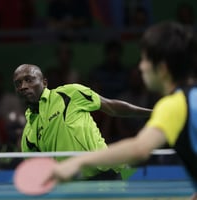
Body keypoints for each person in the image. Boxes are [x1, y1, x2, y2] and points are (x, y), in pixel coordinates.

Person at [47, 21, 197, 199]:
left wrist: (78, 162)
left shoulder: (174, 105)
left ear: (162, 68)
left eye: (145, 60)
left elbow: (139, 149)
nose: (140, 66)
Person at [13, 64, 152, 179]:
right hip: (75, 187)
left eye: (29, 80)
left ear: (44, 82)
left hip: (110, 173)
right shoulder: (28, 135)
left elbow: (112, 107)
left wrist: (151, 113)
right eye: (18, 83)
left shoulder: (68, 94)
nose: (23, 86)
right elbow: (41, 173)